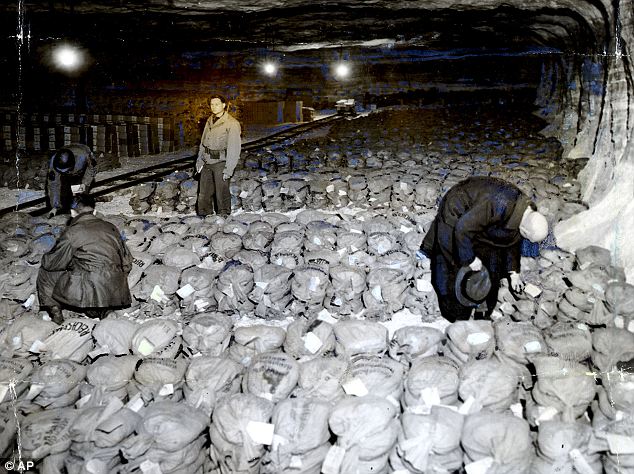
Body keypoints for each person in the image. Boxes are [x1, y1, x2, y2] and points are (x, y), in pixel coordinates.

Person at [421, 176, 548, 322]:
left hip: (478, 214)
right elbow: (463, 228)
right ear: (524, 231)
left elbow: (511, 242)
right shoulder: (498, 204)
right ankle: (454, 314)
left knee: (491, 260)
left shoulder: (526, 211)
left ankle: (482, 310)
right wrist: (469, 259)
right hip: (457, 208)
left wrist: (513, 273)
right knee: (450, 261)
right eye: (527, 238)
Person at [37, 194, 132, 324]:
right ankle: (103, 311)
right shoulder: (111, 227)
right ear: (94, 211)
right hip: (116, 287)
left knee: (45, 271)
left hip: (91, 284)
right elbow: (126, 261)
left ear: (72, 212)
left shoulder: (72, 231)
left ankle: (56, 315)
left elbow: (52, 263)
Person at [195, 94, 242, 216]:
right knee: (203, 194)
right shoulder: (209, 121)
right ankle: (204, 217)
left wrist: (229, 169)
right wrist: (199, 160)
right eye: (211, 104)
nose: (214, 107)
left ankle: (224, 217)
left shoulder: (232, 123)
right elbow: (203, 143)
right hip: (207, 162)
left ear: (223, 105)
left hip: (221, 162)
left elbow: (234, 148)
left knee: (221, 193)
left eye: (217, 104)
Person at [46, 143, 98, 218]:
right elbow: (53, 184)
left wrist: (84, 184)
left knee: (80, 192)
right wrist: (55, 206)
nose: (65, 173)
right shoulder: (54, 162)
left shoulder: (84, 156)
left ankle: (79, 208)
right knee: (65, 192)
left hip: (82, 170)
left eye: (67, 171)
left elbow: (91, 170)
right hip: (68, 165)